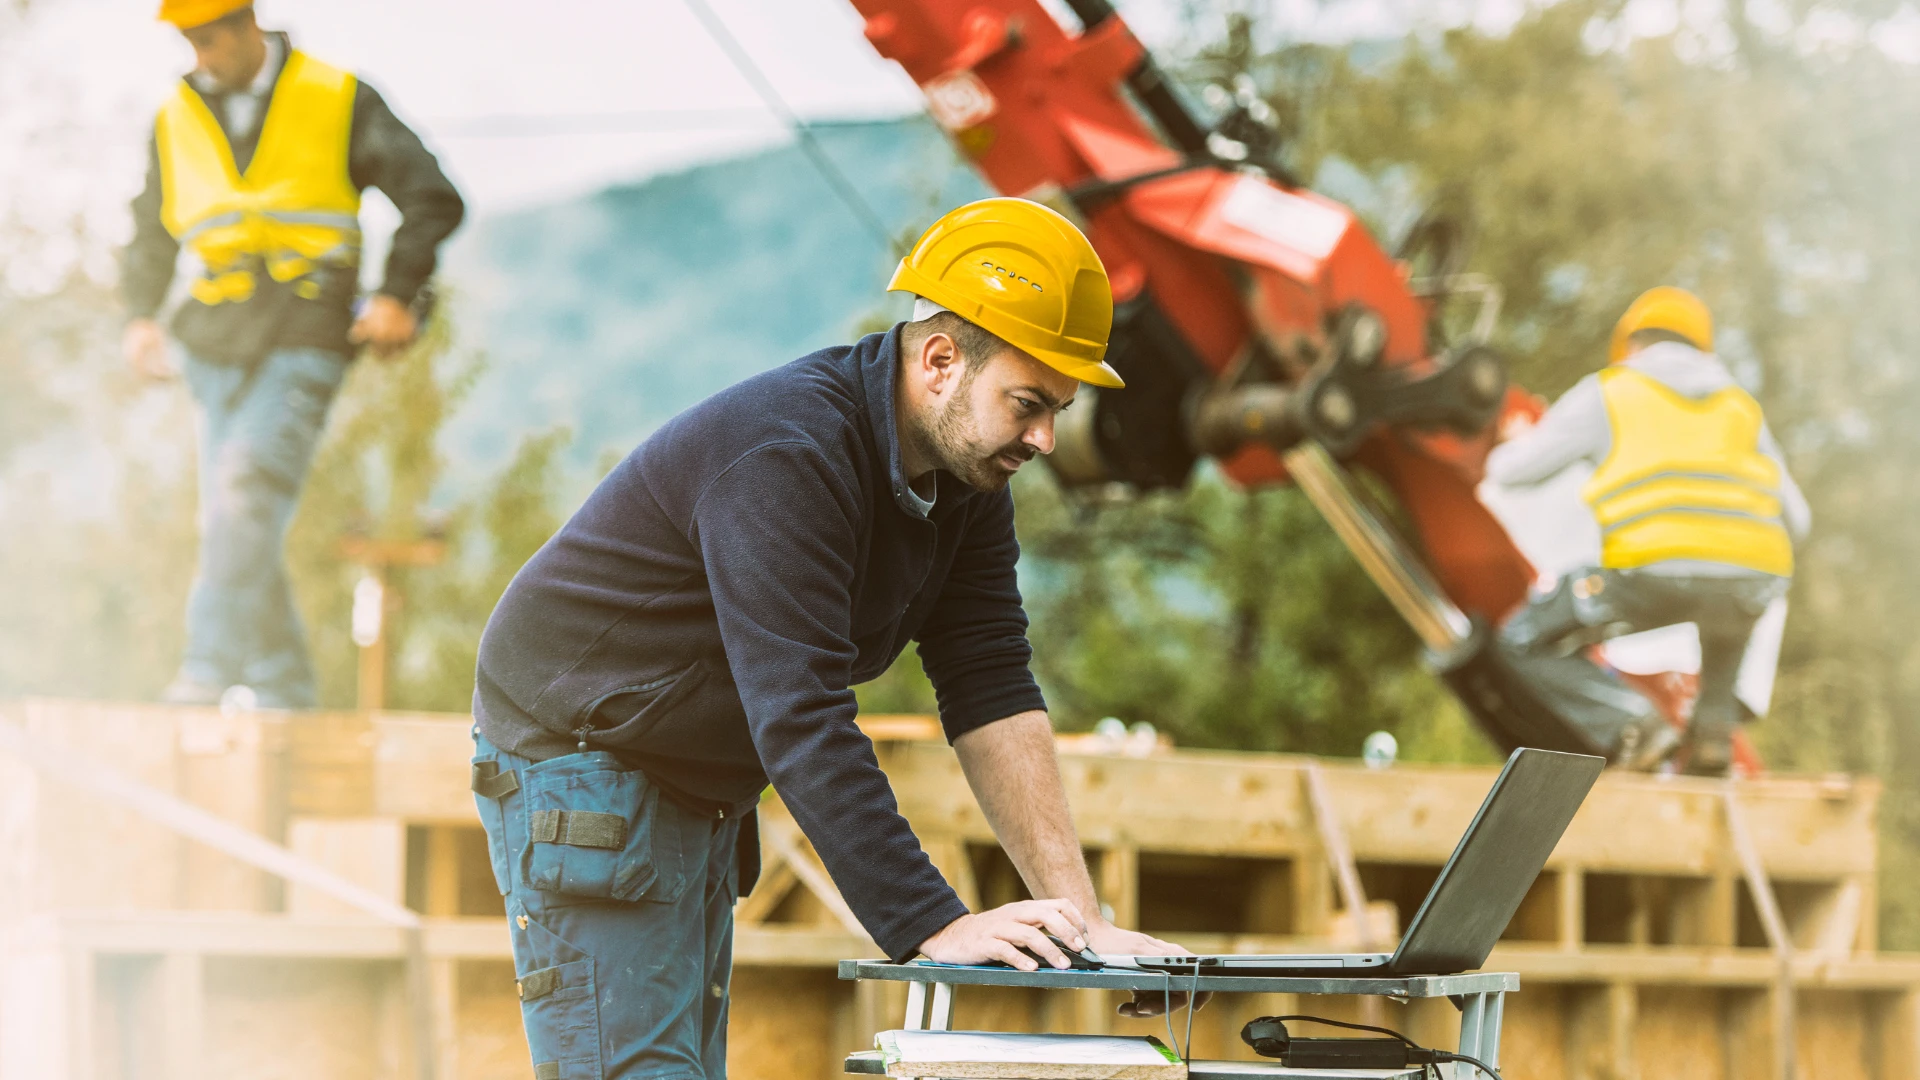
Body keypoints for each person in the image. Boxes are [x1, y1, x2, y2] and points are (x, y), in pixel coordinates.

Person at [469, 198, 1201, 1080]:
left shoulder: (968, 479)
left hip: (689, 764)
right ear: (939, 360)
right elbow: (801, 714)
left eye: (1058, 408)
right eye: (1028, 403)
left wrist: (1079, 920)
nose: (1045, 437)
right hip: (584, 753)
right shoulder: (786, 455)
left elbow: (991, 683)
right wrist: (933, 923)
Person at [123, 0, 464, 708]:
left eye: (209, 38)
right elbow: (152, 231)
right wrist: (139, 318)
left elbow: (433, 197)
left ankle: (205, 669)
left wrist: (398, 292)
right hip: (214, 336)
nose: (200, 56)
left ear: (248, 23)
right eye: (188, 41)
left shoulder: (338, 97)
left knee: (244, 490)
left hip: (308, 325)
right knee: (235, 514)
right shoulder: (173, 117)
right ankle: (284, 686)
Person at [1486, 286, 1809, 775]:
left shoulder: (1611, 391)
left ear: (1632, 345)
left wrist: (1516, 440)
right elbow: (1798, 520)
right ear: (1706, 350)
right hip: (1752, 577)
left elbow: (1511, 473)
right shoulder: (1740, 408)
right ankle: (1711, 742)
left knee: (1521, 640)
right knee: (1728, 614)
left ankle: (1635, 724)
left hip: (1649, 573)